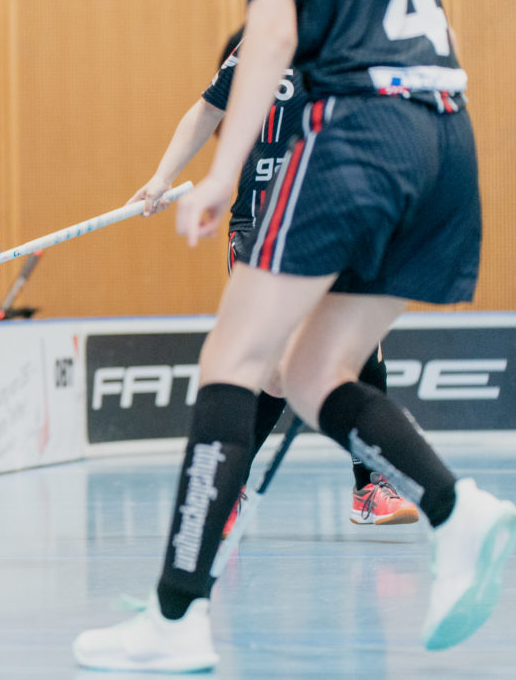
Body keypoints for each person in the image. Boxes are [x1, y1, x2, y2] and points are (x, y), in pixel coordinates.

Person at [74, 0, 516, 671]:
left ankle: (176, 616)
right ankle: (458, 514)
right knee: (314, 375)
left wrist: (220, 172)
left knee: (231, 359)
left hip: (360, 133)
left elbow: (267, 36)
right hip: (446, 144)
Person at [135, 28, 419, 532]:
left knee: (360, 349)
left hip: (333, 214)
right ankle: (229, 486)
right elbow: (207, 109)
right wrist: (161, 177)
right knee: (274, 371)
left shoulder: (353, 40)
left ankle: (370, 486)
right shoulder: (262, 40)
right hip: (261, 224)